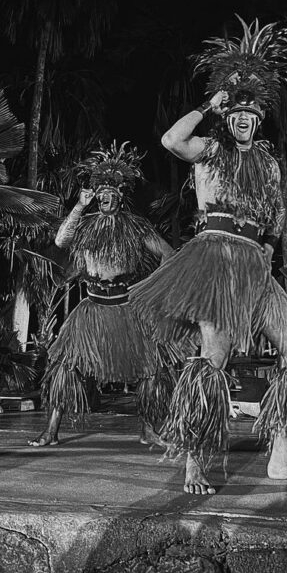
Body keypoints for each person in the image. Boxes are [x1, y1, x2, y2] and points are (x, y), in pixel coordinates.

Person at [132, 19, 287, 493]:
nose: (243, 119)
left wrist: (268, 248)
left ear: (259, 121)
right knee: (214, 356)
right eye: (236, 112)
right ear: (229, 116)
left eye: (251, 114)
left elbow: (278, 214)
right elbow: (170, 142)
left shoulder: (266, 163)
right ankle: (194, 464)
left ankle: (281, 460)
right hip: (217, 261)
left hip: (256, 266)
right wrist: (209, 105)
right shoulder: (211, 151)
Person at [29, 143, 181, 448]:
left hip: (128, 308)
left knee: (151, 368)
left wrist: (152, 287)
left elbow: (168, 253)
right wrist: (78, 206)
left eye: (112, 194)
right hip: (92, 310)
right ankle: (51, 430)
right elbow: (61, 241)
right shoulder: (84, 225)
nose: (106, 198)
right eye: (101, 194)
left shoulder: (137, 228)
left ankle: (148, 429)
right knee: (66, 366)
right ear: (96, 196)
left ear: (121, 197)